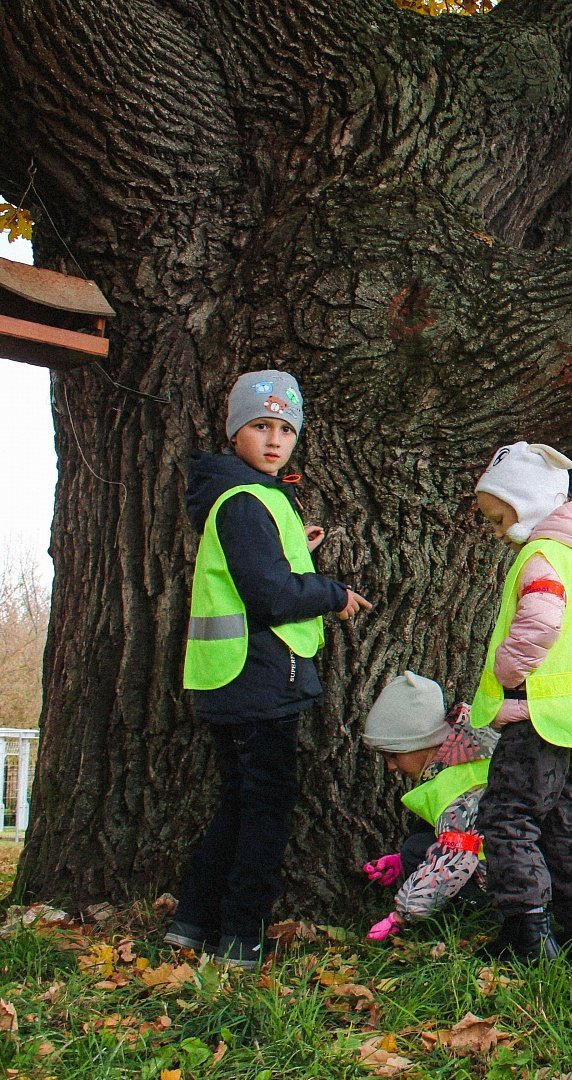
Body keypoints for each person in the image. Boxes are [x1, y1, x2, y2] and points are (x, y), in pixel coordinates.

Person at [165, 369, 371, 970]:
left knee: (238, 802)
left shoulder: (251, 496)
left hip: (238, 676)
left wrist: (295, 554)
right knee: (265, 811)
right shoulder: (246, 500)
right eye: (260, 426)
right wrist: (331, 592)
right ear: (235, 434)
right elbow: (270, 594)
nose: (275, 439)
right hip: (255, 680)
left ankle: (195, 920)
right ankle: (240, 936)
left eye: (286, 428)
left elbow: (260, 572)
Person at [467, 442, 572, 963]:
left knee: (508, 817)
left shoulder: (542, 555)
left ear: (528, 503)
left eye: (499, 518)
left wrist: (507, 672)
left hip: (541, 713)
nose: (496, 531)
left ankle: (527, 934)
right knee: (565, 825)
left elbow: (541, 620)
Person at [360, 672, 497, 940]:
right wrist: (401, 863)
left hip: (499, 886)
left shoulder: (455, 788)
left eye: (394, 755)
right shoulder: (470, 757)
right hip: (515, 870)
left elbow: (455, 859)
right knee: (417, 844)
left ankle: (463, 926)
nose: (390, 766)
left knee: (417, 848)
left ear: (421, 743)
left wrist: (400, 916)